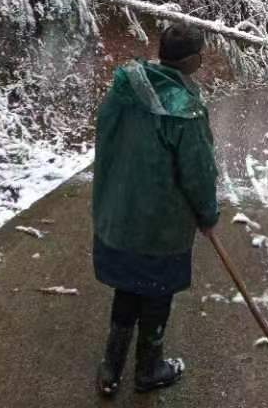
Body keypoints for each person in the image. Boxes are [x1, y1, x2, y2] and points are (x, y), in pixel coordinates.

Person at [92, 24, 219, 397]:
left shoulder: (124, 89)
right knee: (157, 292)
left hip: (118, 214)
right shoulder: (185, 111)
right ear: (193, 61)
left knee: (128, 287)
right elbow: (198, 173)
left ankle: (111, 366)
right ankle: (148, 369)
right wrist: (207, 215)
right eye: (202, 54)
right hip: (159, 226)